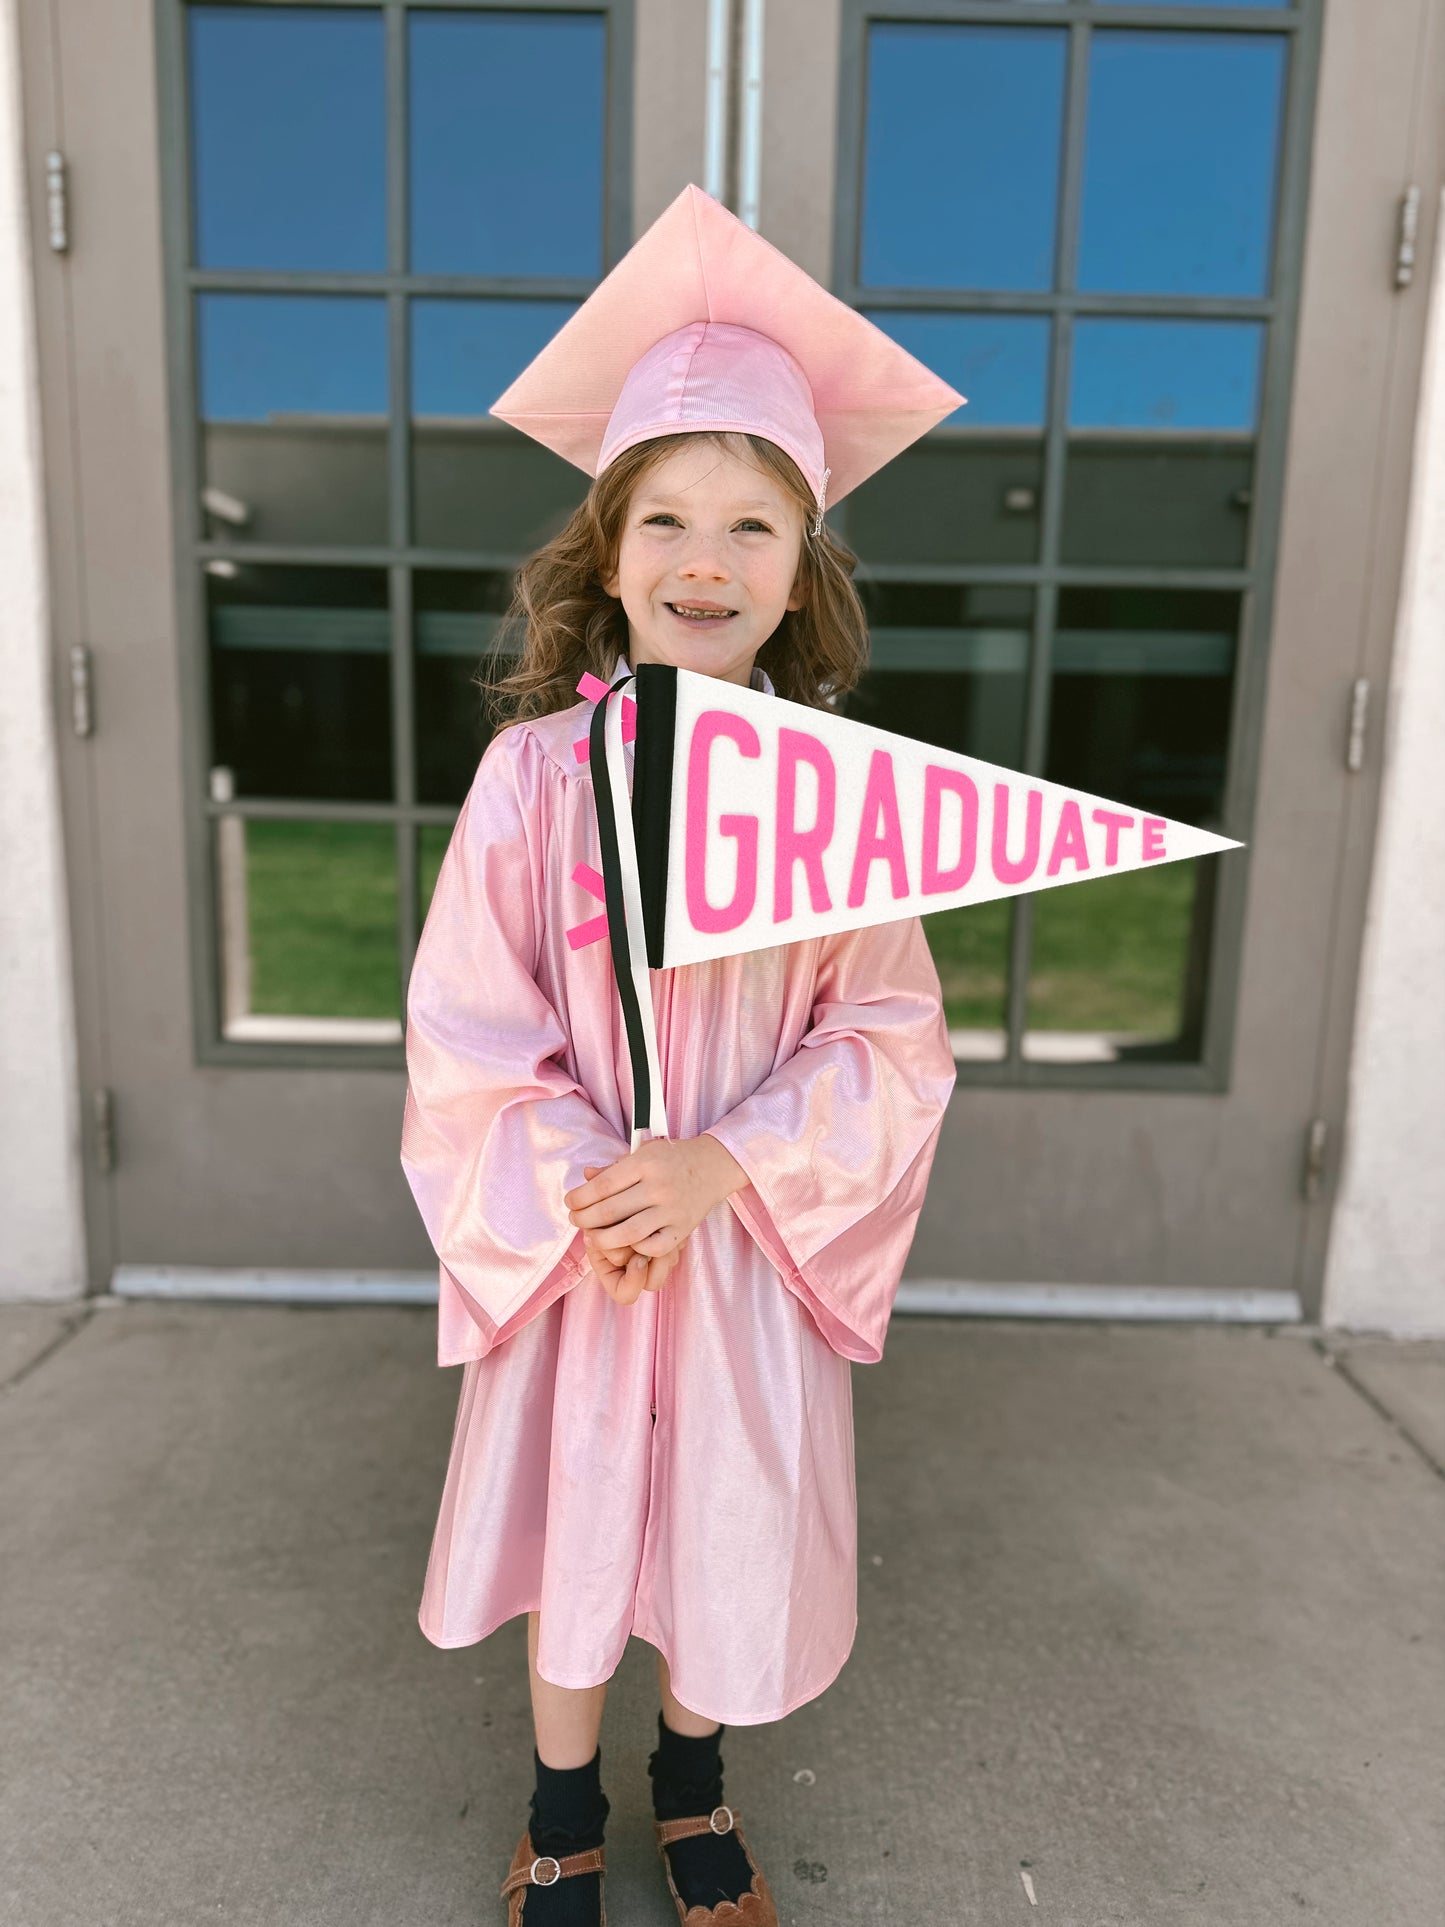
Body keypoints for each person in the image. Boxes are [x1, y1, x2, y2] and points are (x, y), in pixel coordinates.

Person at [400, 183, 963, 1927]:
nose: (701, 559)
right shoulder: (532, 784)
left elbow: (889, 1033)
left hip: (733, 1237)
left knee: (720, 1526)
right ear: (609, 552)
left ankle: (694, 1784)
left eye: (749, 527)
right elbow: (465, 1028)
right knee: (578, 1527)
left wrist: (726, 1165)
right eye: (663, 520)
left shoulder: (841, 804)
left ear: (801, 572)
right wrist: (594, 1186)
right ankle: (561, 1801)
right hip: (591, 1247)